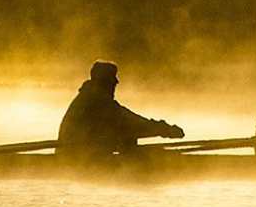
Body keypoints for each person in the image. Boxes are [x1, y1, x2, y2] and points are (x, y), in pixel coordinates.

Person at [56, 61, 185, 160]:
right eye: (113, 77)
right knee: (128, 136)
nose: (116, 82)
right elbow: (131, 122)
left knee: (126, 136)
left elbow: (128, 121)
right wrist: (165, 130)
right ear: (104, 80)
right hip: (78, 156)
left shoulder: (90, 96)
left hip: (76, 153)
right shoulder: (97, 100)